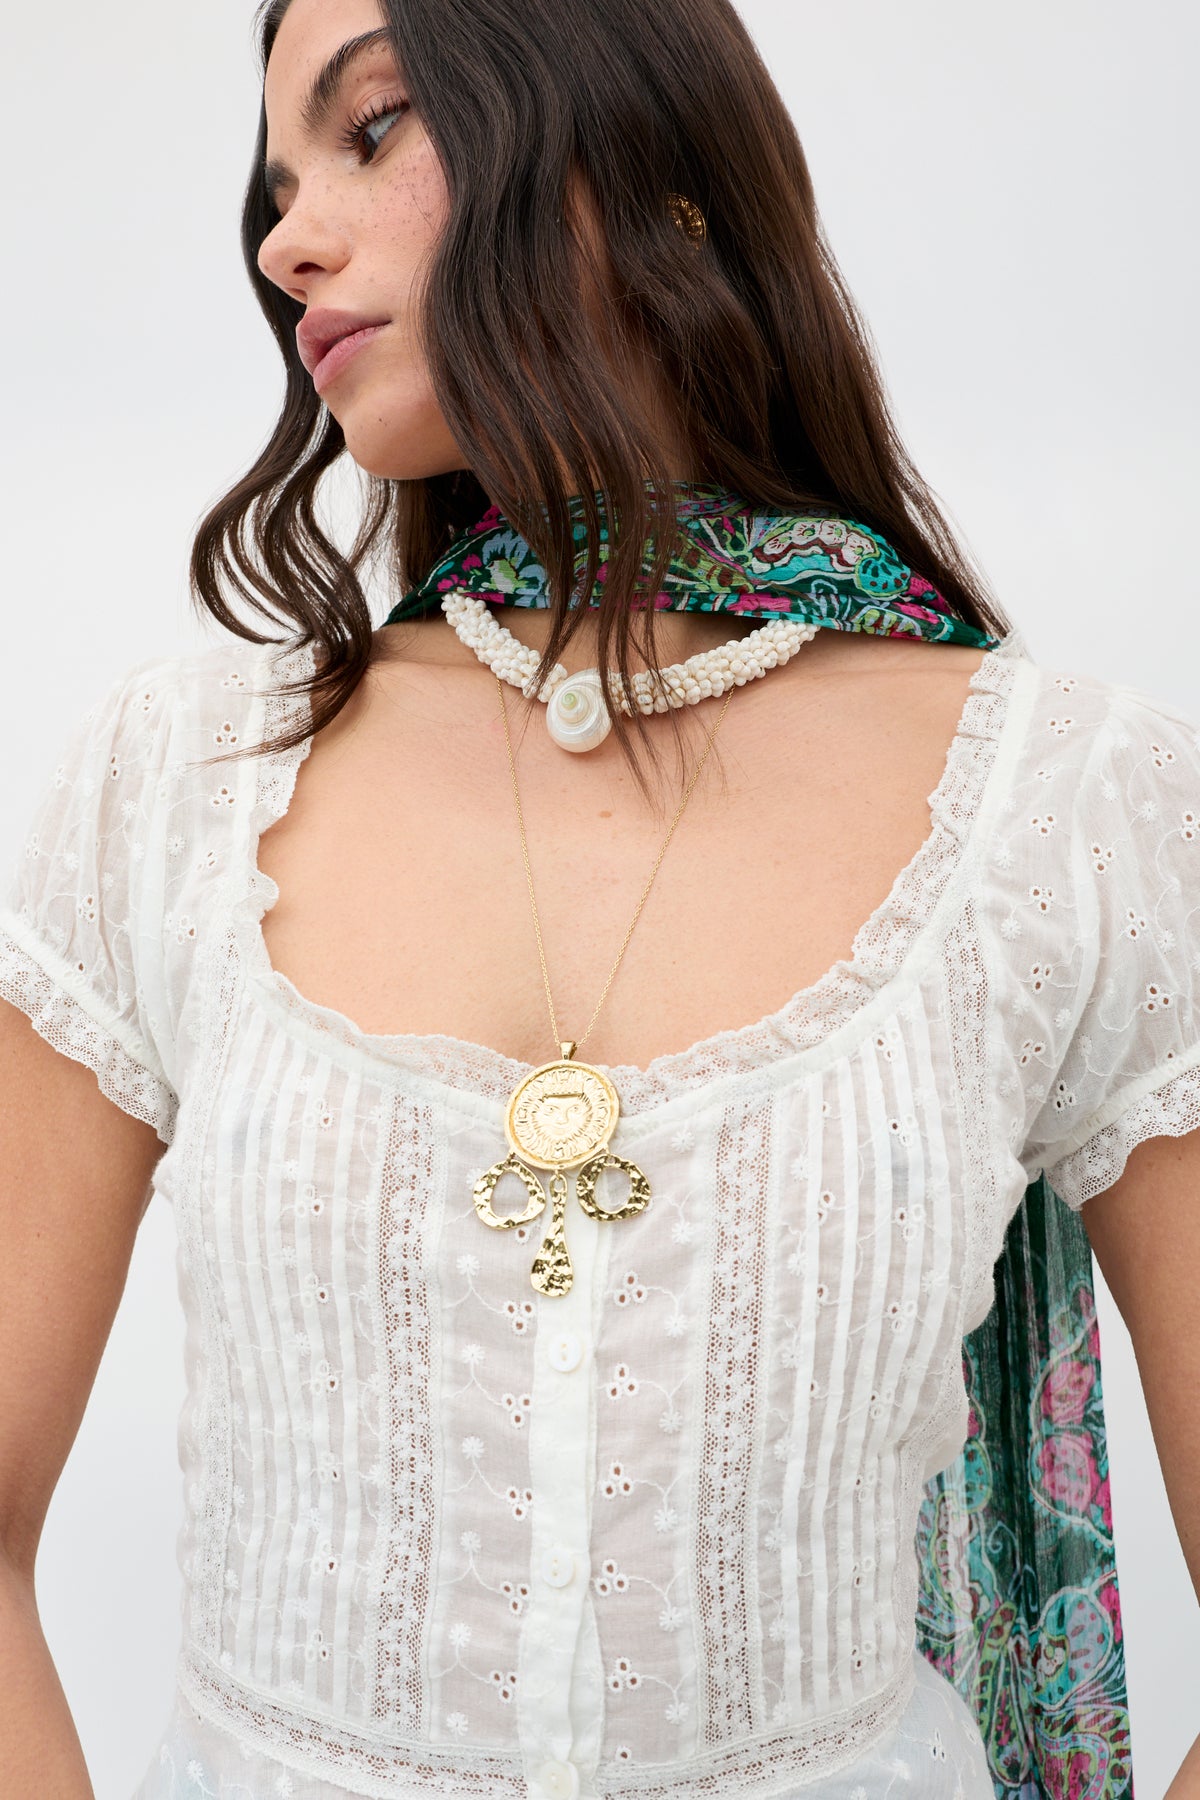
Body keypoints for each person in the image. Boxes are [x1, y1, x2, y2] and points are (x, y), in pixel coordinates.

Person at [0, 0, 1196, 1795]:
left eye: (374, 127)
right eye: (272, 182)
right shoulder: (178, 788)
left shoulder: (1065, 805)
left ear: (634, 149)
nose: (283, 238)